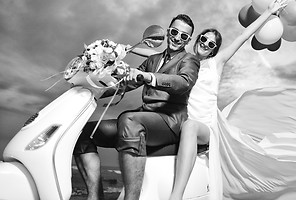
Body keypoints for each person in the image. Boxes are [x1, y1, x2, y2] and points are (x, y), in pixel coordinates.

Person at [131, 0, 296, 200]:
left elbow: (244, 36)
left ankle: (176, 196)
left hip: (205, 127)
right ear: (196, 39)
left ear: (213, 51)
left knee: (190, 127)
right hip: (181, 122)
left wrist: (269, 11)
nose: (206, 44)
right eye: (203, 39)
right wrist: (125, 49)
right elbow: (155, 56)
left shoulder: (215, 64)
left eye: (211, 44)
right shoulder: (183, 62)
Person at [73, 13, 200, 200]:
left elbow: (183, 82)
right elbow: (125, 83)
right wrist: (92, 86)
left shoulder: (189, 60)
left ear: (188, 40)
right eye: (174, 32)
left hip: (170, 122)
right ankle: (95, 196)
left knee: (129, 119)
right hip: (144, 118)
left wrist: (150, 77)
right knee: (82, 132)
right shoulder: (153, 60)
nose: (177, 38)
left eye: (183, 36)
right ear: (167, 32)